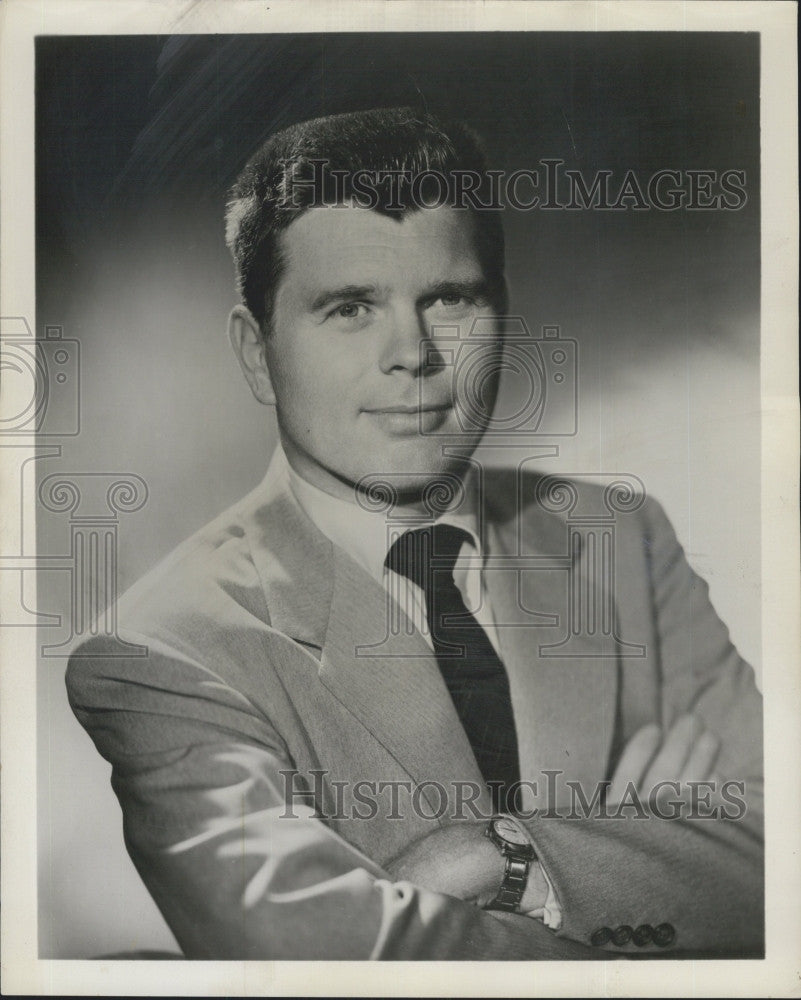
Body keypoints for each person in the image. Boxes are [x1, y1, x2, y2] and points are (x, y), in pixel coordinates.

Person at [66, 107, 763, 960]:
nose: (414, 353)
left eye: (450, 298)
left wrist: (502, 860)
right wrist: (647, 869)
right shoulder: (163, 649)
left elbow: (783, 856)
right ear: (256, 352)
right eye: (350, 307)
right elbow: (308, 954)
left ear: (503, 312)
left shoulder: (620, 538)